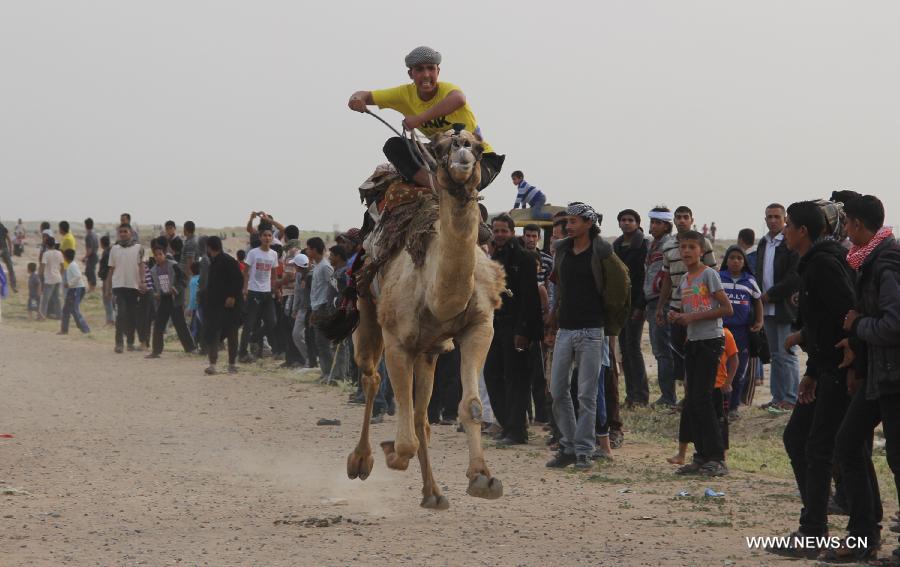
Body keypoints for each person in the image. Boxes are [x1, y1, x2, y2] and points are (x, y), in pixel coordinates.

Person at [767, 201, 855, 559]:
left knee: (819, 447)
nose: (784, 231)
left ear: (803, 230)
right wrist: (812, 371)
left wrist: (845, 360)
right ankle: (824, 524)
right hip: (825, 369)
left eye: (788, 225)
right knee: (801, 439)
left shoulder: (823, 264)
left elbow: (846, 313)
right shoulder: (815, 262)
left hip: (840, 370)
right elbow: (823, 323)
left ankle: (819, 530)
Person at [828, 195, 899, 562]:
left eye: (846, 222)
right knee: (849, 443)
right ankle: (862, 536)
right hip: (878, 373)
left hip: (893, 376)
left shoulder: (887, 262)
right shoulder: (870, 260)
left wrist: (859, 325)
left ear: (856, 224)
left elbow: (893, 325)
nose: (844, 229)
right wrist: (856, 343)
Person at [347, 46, 504, 191]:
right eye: (420, 69)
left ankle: (453, 194)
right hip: (440, 157)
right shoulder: (404, 94)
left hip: (477, 158)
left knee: (461, 176)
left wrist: (419, 119)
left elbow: (458, 99)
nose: (426, 75)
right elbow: (365, 95)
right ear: (411, 74)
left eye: (431, 68)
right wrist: (356, 99)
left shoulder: (448, 90)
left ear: (438, 71)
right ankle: (437, 188)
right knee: (393, 146)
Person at [546, 202, 629, 471]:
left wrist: (608, 321)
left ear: (588, 224)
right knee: (558, 390)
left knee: (587, 394)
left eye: (573, 221)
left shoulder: (602, 251)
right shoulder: (563, 251)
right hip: (566, 329)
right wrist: (553, 316)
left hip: (593, 330)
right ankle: (568, 445)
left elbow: (620, 285)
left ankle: (583, 451)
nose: (568, 226)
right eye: (566, 222)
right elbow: (559, 286)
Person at [667, 230, 733, 477]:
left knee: (703, 400)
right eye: (683, 247)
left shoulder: (709, 275)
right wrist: (677, 317)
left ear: (701, 250)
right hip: (693, 341)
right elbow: (689, 310)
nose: (686, 252)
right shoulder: (685, 279)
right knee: (693, 401)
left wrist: (692, 317)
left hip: (710, 341)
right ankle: (701, 456)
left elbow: (726, 309)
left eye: (691, 247)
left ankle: (716, 457)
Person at [484, 213, 543, 445]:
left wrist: (524, 331)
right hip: (496, 325)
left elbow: (530, 298)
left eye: (503, 231)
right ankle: (507, 424)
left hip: (516, 326)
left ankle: (517, 430)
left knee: (516, 379)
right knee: (492, 374)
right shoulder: (492, 259)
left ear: (511, 232)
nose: (500, 235)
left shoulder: (525, 258)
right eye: (496, 231)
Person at [656, 206, 717, 384]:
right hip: (675, 308)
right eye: (678, 217)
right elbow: (667, 279)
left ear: (691, 220)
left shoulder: (704, 243)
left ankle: (697, 396)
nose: (682, 220)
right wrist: (660, 306)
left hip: (700, 309)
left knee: (700, 353)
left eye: (685, 217)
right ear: (674, 221)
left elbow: (713, 275)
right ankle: (687, 396)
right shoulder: (667, 247)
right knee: (680, 355)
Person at [668, 327, 738, 466]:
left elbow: (734, 359)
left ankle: (720, 457)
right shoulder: (693, 334)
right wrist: (687, 380)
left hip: (717, 386)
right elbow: (689, 360)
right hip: (696, 386)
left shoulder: (725, 334)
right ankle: (684, 454)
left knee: (719, 422)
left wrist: (728, 381)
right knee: (688, 418)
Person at [756, 203, 801, 410]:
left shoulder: (789, 244)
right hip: (766, 308)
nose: (772, 220)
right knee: (774, 354)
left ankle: (791, 398)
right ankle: (777, 397)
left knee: (787, 354)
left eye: (776, 216)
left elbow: (794, 277)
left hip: (783, 306)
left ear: (784, 219)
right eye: (769, 217)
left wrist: (771, 295)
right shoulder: (764, 243)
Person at [718, 245, 763, 417]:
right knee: (720, 368)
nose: (735, 261)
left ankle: (734, 406)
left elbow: (758, 301)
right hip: (721, 330)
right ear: (726, 260)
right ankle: (720, 404)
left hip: (742, 332)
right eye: (732, 258)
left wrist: (760, 321)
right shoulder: (719, 277)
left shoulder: (750, 280)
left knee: (738, 370)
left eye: (739, 258)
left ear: (744, 262)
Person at [614, 208, 649, 407]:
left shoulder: (643, 245)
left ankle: (641, 395)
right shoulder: (617, 245)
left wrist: (640, 305)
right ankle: (630, 394)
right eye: (623, 220)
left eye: (630, 220)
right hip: (620, 304)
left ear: (637, 223)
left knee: (633, 347)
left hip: (636, 302)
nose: (627, 223)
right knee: (625, 349)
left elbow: (644, 277)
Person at [644, 207, 678, 406]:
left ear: (666, 225)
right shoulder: (653, 245)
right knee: (660, 351)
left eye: (658, 223)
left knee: (663, 351)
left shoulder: (668, 245)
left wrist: (661, 305)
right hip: (652, 300)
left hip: (661, 301)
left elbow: (665, 277)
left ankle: (668, 397)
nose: (654, 226)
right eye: (652, 222)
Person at [146, 241, 195, 359]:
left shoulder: (173, 265)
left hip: (175, 299)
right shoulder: (153, 270)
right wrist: (155, 294)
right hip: (163, 299)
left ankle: (191, 348)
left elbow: (183, 280)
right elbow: (152, 285)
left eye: (160, 254)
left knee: (180, 324)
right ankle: (156, 351)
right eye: (156, 255)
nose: (158, 257)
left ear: (164, 254)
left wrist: (175, 289)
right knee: (158, 325)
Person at [238, 224, 279, 363]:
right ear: (260, 237)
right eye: (265, 235)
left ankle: (253, 338)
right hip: (254, 291)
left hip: (267, 293)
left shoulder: (273, 254)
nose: (267, 238)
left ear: (272, 238)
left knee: (272, 321)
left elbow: (273, 274)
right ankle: (242, 352)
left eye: (269, 235)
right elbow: (246, 271)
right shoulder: (253, 253)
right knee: (249, 323)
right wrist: (245, 288)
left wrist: (276, 289)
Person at [203, 236, 243, 374]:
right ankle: (213, 365)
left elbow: (238, 279)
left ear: (209, 247)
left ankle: (232, 364)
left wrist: (232, 296)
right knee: (214, 333)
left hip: (229, 306)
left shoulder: (228, 261)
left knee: (232, 334)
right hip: (215, 306)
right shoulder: (213, 262)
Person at [105, 224, 146, 353]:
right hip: (119, 286)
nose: (122, 234)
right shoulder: (114, 249)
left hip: (133, 286)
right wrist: (108, 287)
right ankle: (119, 343)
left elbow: (142, 266)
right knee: (121, 314)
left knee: (132, 316)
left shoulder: (139, 248)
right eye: (120, 232)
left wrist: (142, 282)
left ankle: (130, 342)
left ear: (131, 232)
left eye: (125, 231)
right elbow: (111, 270)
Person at [307, 236, 336, 377]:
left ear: (314, 249)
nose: (307, 251)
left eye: (308, 248)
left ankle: (330, 374)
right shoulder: (317, 266)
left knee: (323, 343)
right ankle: (325, 372)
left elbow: (333, 286)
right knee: (319, 343)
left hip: (324, 307)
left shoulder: (325, 267)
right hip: (317, 307)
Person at [59, 248, 90, 334]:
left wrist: (69, 284)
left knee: (74, 309)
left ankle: (85, 329)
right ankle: (64, 330)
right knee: (66, 309)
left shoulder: (72, 265)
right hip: (73, 289)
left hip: (77, 289)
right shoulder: (71, 265)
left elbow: (78, 276)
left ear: (65, 257)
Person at [37, 237, 64, 320]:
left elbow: (42, 266)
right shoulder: (59, 253)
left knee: (45, 299)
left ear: (47, 244)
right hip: (58, 278)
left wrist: (39, 276)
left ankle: (42, 316)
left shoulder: (46, 254)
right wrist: (60, 275)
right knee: (57, 298)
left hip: (49, 279)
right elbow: (63, 266)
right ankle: (60, 315)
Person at [97, 235, 115, 326]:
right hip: (108, 278)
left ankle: (110, 320)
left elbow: (107, 268)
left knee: (107, 299)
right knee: (110, 300)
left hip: (107, 279)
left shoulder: (107, 253)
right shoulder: (109, 251)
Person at [82, 218, 99, 292]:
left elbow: (89, 249)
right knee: (89, 272)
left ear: (85, 225)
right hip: (95, 255)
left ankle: (92, 289)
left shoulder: (88, 235)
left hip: (91, 256)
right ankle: (91, 288)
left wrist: (85, 257)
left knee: (90, 273)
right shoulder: (94, 234)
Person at [0, 221, 16, 292]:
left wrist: (11, 250)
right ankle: (13, 286)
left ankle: (13, 286)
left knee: (10, 268)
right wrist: (10, 250)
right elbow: (8, 239)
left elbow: (8, 239)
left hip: (4, 249)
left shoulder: (2, 227)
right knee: (10, 268)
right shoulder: (2, 226)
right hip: (4, 249)